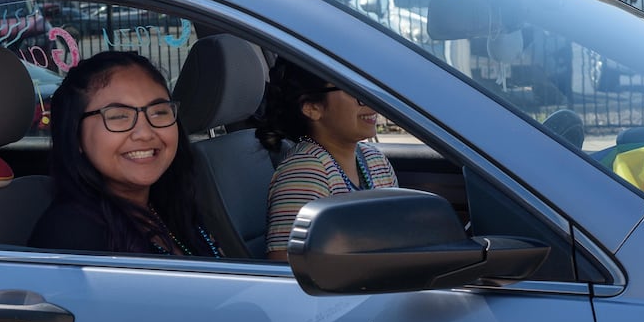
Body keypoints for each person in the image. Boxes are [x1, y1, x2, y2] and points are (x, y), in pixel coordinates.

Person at [29, 51, 221, 257]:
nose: (145, 133)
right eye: (118, 116)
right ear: (76, 136)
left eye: (159, 112)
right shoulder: (72, 237)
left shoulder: (172, 205)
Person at [257, 58, 398, 260]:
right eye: (353, 90)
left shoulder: (375, 160)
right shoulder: (305, 171)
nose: (368, 99)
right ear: (312, 108)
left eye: (367, 88)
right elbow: (289, 269)